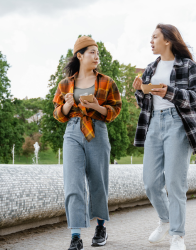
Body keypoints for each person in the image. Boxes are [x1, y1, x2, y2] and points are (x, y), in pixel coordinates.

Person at [133, 24, 196, 250]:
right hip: (154, 124)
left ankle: (177, 235)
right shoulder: (149, 68)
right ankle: (166, 220)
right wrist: (139, 90)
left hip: (178, 122)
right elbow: (143, 104)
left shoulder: (188, 65)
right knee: (151, 182)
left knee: (175, 183)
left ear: (167, 40)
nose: (151, 41)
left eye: (155, 37)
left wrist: (169, 92)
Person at [53, 36, 122, 250]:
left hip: (97, 130)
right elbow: (57, 114)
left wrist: (96, 106)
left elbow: (115, 109)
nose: (96, 55)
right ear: (79, 55)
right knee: (73, 184)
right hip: (73, 131)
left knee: (98, 182)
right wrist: (67, 105)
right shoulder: (65, 84)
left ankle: (100, 227)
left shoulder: (107, 82)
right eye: (91, 51)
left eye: (97, 52)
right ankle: (75, 236)